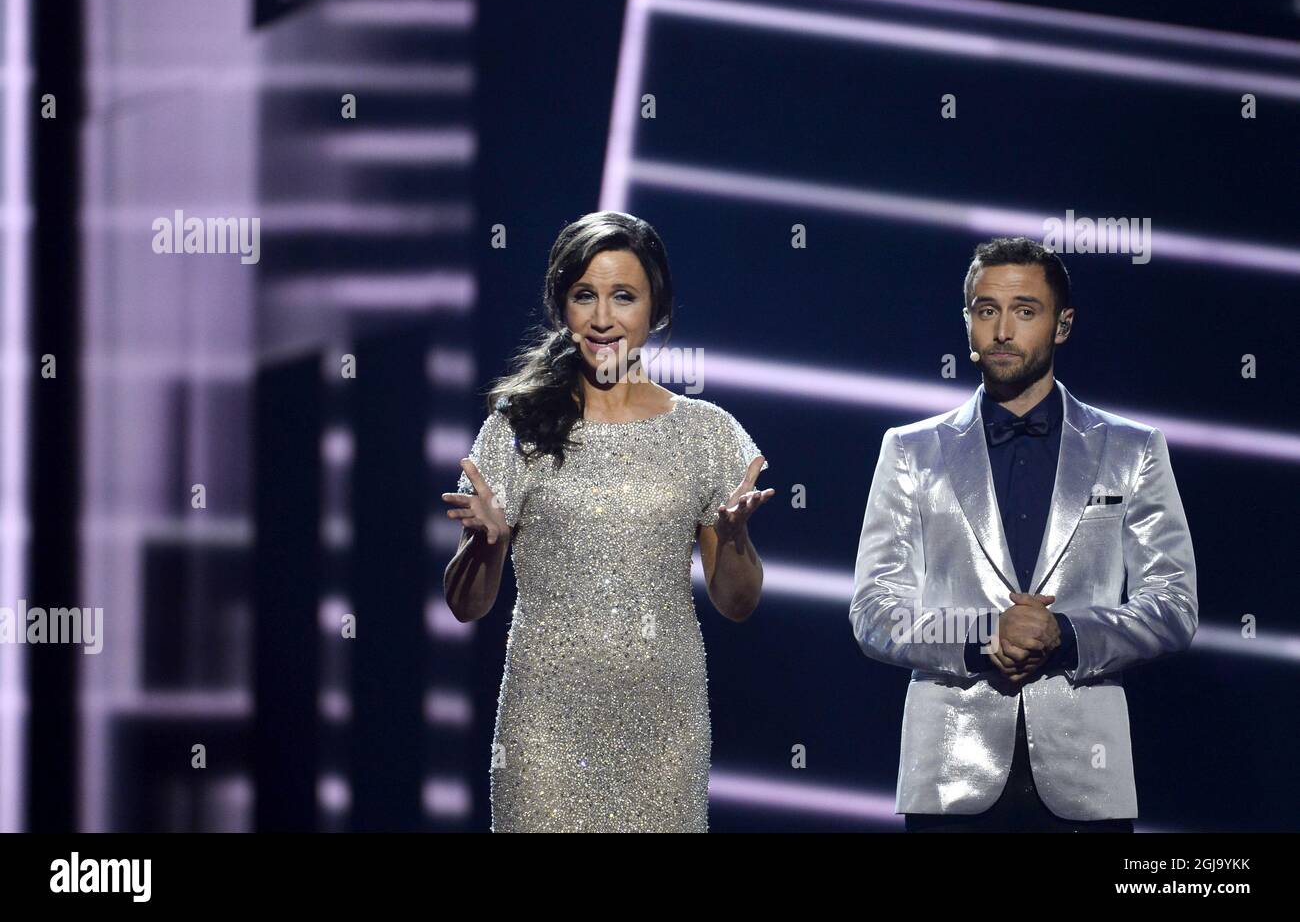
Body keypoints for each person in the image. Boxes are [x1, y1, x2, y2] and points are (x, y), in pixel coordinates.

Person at [850, 236, 1197, 832]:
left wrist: (1062, 634)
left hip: (1088, 777)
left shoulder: (1132, 449)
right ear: (967, 324)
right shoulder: (910, 450)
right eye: (986, 311)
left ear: (1062, 325)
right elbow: (874, 612)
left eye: (1025, 311)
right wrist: (983, 636)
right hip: (948, 776)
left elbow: (1173, 606)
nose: (1003, 330)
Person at [441, 211, 773, 832]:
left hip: (663, 720)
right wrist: (483, 546)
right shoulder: (516, 430)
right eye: (583, 296)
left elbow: (737, 604)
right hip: (544, 727)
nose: (602, 318)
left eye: (624, 296)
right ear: (561, 306)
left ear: (657, 307)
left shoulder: (706, 434)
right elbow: (467, 606)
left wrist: (735, 541)